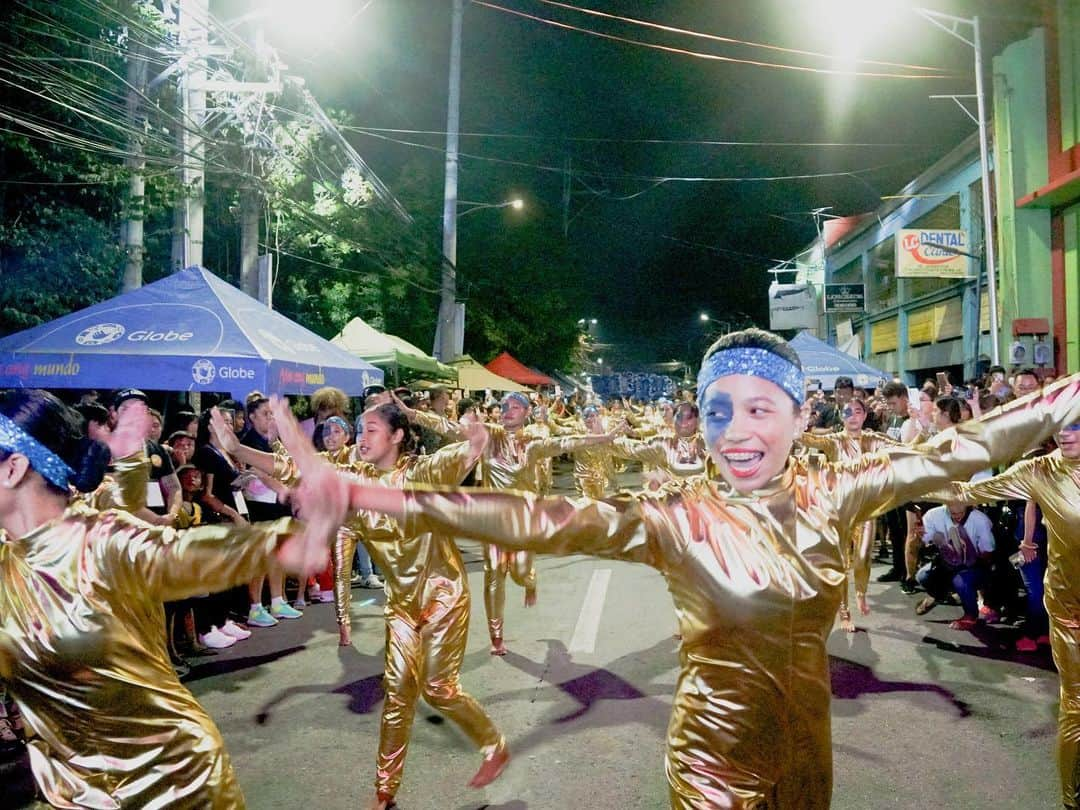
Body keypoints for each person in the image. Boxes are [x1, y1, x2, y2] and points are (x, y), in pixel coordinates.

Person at [335, 328, 1080, 808]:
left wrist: (1066, 396)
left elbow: (960, 451)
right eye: (720, 410)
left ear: (797, 418)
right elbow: (548, 520)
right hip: (709, 760)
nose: (738, 430)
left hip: (807, 759)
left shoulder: (838, 492)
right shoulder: (677, 514)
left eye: (761, 409)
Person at [0, 390, 342, 808]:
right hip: (72, 794)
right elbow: (114, 496)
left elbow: (188, 554)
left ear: (13, 468)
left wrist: (297, 535)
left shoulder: (100, 542)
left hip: (175, 784)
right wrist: (128, 463)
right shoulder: (8, 560)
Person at [215, 402, 507, 810]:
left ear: (397, 436)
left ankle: (494, 744)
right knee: (398, 694)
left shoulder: (424, 473)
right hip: (402, 604)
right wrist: (238, 449)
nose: (362, 437)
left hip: (444, 596)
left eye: (371, 430)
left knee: (440, 690)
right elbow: (293, 467)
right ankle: (385, 793)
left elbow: (470, 448)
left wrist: (475, 439)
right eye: (360, 429)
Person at [927, 419, 1080, 806]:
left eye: (1076, 426)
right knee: (1076, 708)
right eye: (1062, 425)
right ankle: (1070, 800)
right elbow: (976, 489)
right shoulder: (1040, 469)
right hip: (1069, 609)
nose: (1067, 433)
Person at [406, 390, 619, 654]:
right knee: (493, 575)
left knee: (518, 573)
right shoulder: (489, 436)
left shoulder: (533, 443)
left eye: (516, 406)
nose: (508, 410)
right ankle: (497, 638)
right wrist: (413, 414)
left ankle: (530, 582)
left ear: (527, 413)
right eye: (505, 405)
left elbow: (567, 442)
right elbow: (451, 428)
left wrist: (604, 437)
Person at [800, 397, 897, 632]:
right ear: (841, 416)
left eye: (857, 411)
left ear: (864, 415)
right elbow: (808, 439)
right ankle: (844, 612)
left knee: (863, 557)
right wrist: (800, 421)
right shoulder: (835, 441)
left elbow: (906, 447)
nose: (852, 416)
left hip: (866, 509)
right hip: (840, 511)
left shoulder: (874, 440)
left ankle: (861, 592)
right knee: (842, 563)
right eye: (847, 412)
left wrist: (922, 425)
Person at [912, 503, 996, 629]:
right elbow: (924, 543)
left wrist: (970, 557)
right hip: (947, 561)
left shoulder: (980, 520)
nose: (957, 517)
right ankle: (941, 593)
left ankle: (970, 615)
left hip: (974, 563)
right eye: (953, 514)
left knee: (961, 580)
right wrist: (919, 536)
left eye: (961, 513)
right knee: (922, 576)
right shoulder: (933, 515)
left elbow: (988, 553)